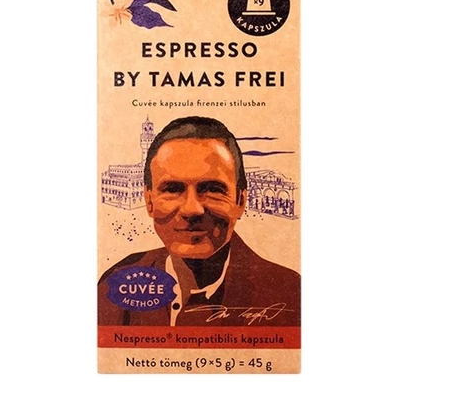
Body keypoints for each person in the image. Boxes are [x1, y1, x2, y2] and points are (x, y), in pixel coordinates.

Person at [98, 116, 300, 326]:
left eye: (212, 189)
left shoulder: (288, 293)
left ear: (240, 201)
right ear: (149, 201)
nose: (192, 209)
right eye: (172, 189)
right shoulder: (113, 285)